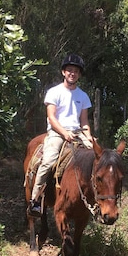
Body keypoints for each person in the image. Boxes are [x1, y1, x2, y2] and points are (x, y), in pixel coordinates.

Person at [28, 54, 93, 218]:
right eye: (69, 70)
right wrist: (64, 133)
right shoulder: (54, 92)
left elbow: (84, 122)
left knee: (98, 158)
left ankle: (94, 201)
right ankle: (35, 200)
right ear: (64, 72)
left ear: (79, 74)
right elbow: (51, 117)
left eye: (76, 71)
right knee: (48, 161)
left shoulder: (83, 96)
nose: (72, 73)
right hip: (57, 132)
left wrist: (89, 136)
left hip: (77, 133)